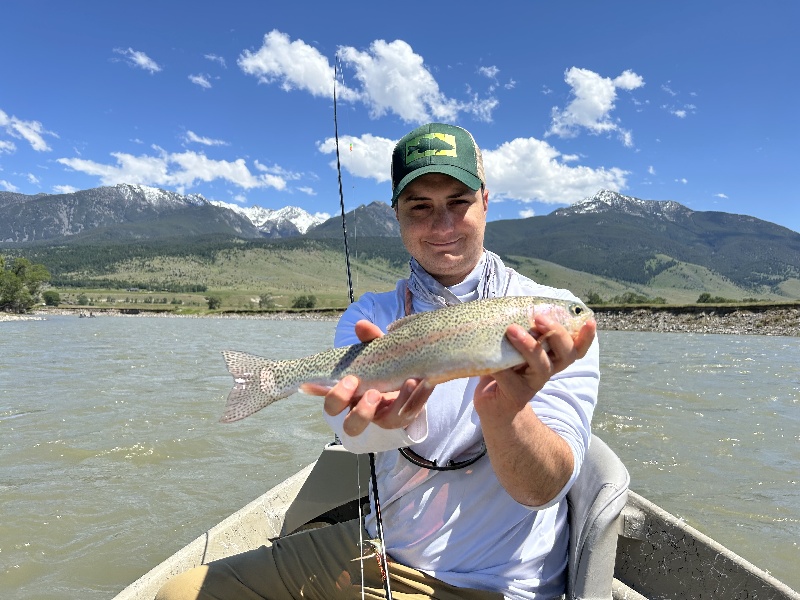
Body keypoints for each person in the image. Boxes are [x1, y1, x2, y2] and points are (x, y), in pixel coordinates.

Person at [157, 123, 598, 600]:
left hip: (496, 584)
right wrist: (381, 425)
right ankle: (272, 379)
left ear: (486, 202)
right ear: (397, 216)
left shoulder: (554, 322)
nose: (443, 225)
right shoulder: (370, 315)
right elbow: (358, 437)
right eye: (420, 207)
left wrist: (505, 408)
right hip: (378, 551)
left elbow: (541, 492)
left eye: (458, 202)